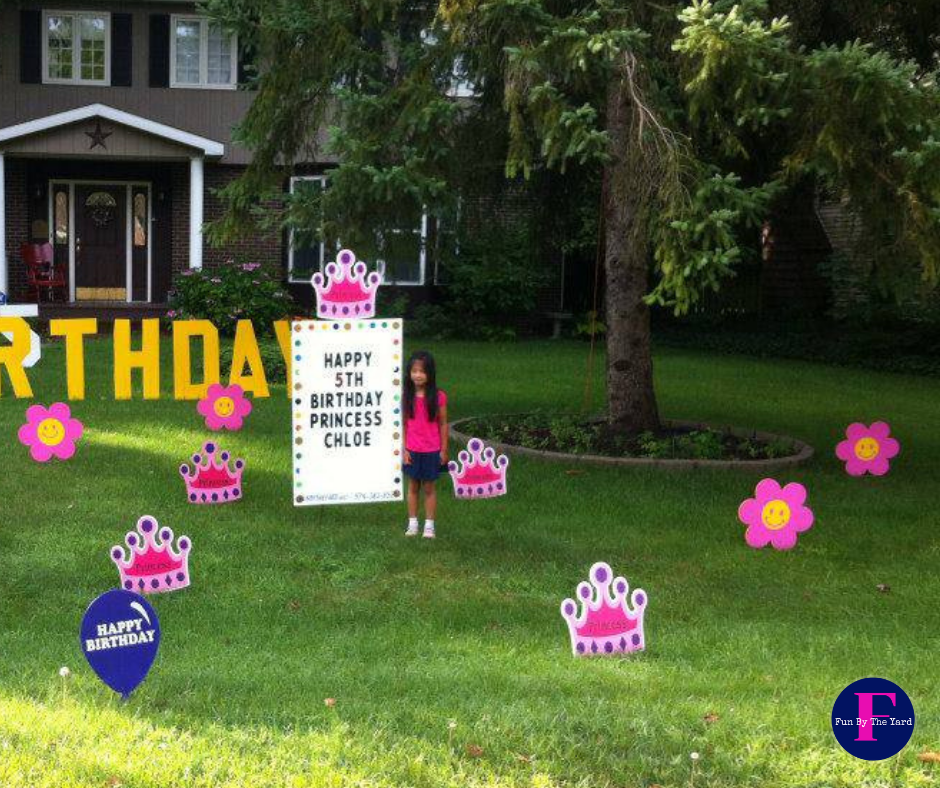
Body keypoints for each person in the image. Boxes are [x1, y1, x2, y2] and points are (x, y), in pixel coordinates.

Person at [402, 350, 448, 538]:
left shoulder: (439, 397)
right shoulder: (406, 396)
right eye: (414, 371)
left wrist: (444, 449)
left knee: (429, 488)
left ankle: (429, 526)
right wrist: (404, 448)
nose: (418, 375)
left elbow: (443, 423)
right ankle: (413, 524)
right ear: (409, 373)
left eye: (422, 371)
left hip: (432, 450)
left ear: (430, 373)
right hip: (412, 450)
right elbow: (403, 424)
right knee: (413, 487)